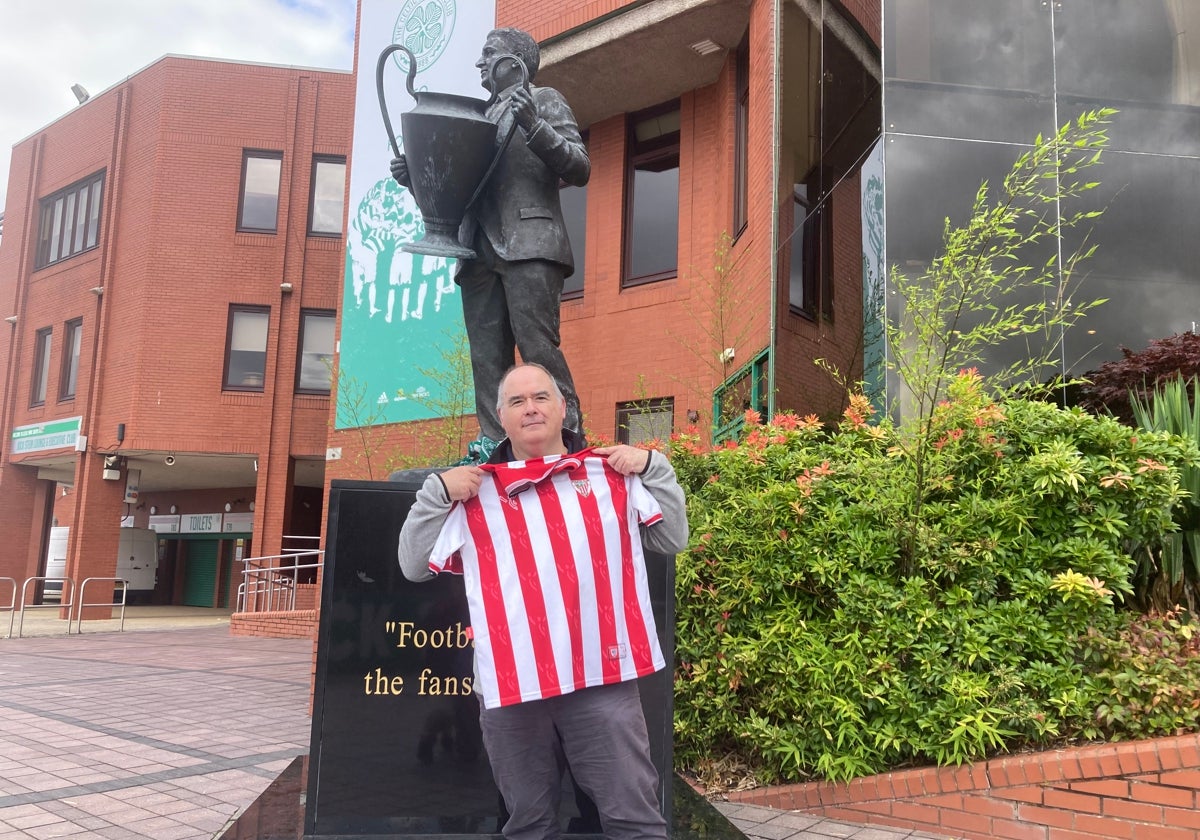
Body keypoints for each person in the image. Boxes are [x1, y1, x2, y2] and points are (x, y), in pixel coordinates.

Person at [397, 363, 689, 840]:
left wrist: (656, 468)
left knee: (634, 819)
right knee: (528, 823)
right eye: (516, 401)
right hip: (512, 685)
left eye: (540, 397)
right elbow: (412, 566)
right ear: (500, 417)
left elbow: (672, 539)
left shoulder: (610, 474)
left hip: (600, 673)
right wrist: (435, 493)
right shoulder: (472, 490)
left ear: (563, 408)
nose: (530, 408)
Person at [390, 28, 589, 453]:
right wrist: (417, 182)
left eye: (488, 54)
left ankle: (568, 437)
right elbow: (462, 192)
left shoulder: (544, 99)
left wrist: (534, 126)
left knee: (538, 348)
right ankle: (495, 443)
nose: (480, 63)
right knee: (486, 358)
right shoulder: (480, 117)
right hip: (477, 251)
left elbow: (579, 167)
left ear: (512, 62)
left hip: (530, 244)